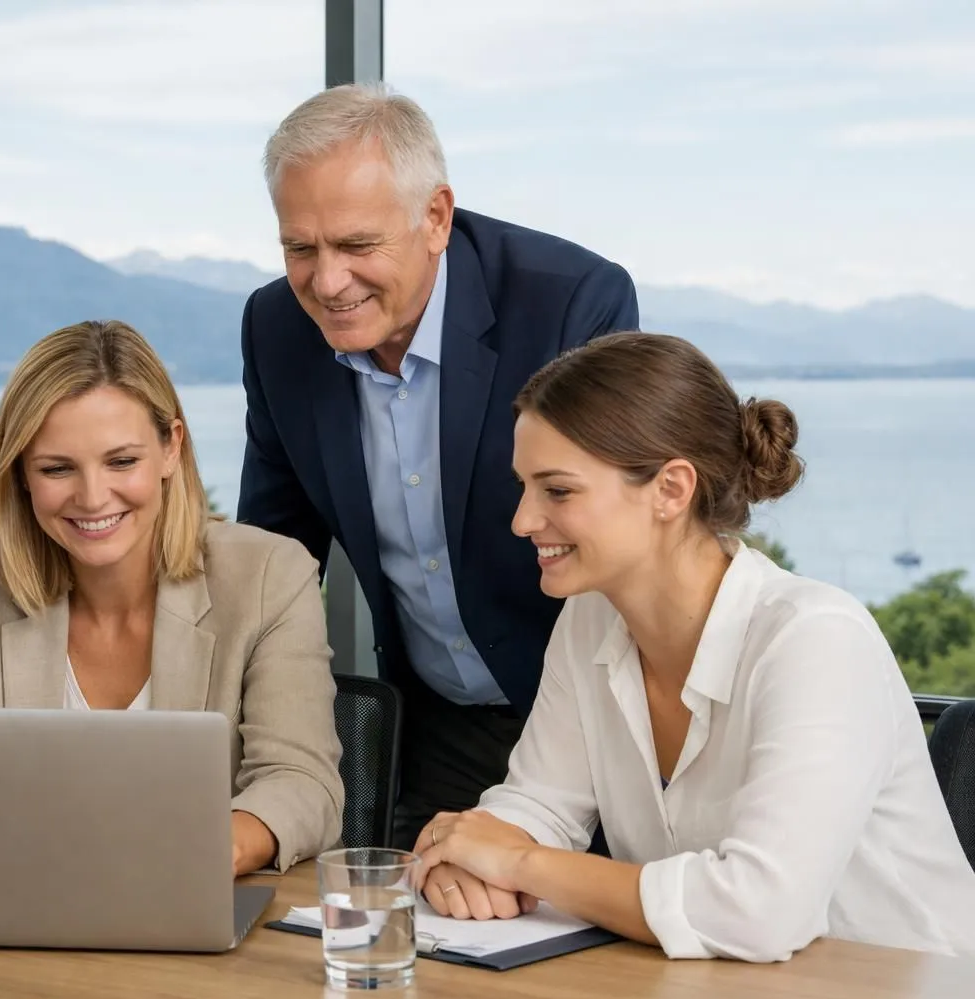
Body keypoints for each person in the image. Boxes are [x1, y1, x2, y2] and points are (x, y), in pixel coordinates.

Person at [413, 331, 975, 961]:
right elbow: (539, 804)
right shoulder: (589, 619)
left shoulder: (817, 641)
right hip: (728, 994)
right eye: (523, 486)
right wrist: (466, 855)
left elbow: (759, 911)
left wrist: (517, 861)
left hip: (914, 992)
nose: (522, 520)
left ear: (671, 490)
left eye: (558, 490)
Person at [237, 82, 640, 847]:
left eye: (357, 246)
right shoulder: (275, 327)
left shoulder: (569, 303)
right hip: (438, 725)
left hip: (594, 719)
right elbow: (272, 554)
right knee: (410, 914)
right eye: (300, 249)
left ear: (436, 218)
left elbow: (618, 539)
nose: (327, 282)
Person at [0, 319, 343, 875]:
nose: (93, 498)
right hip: (14, 896)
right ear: (20, 475)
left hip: (191, 893)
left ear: (170, 448)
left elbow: (302, 782)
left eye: (121, 462)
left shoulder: (268, 575)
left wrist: (200, 851)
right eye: (57, 468)